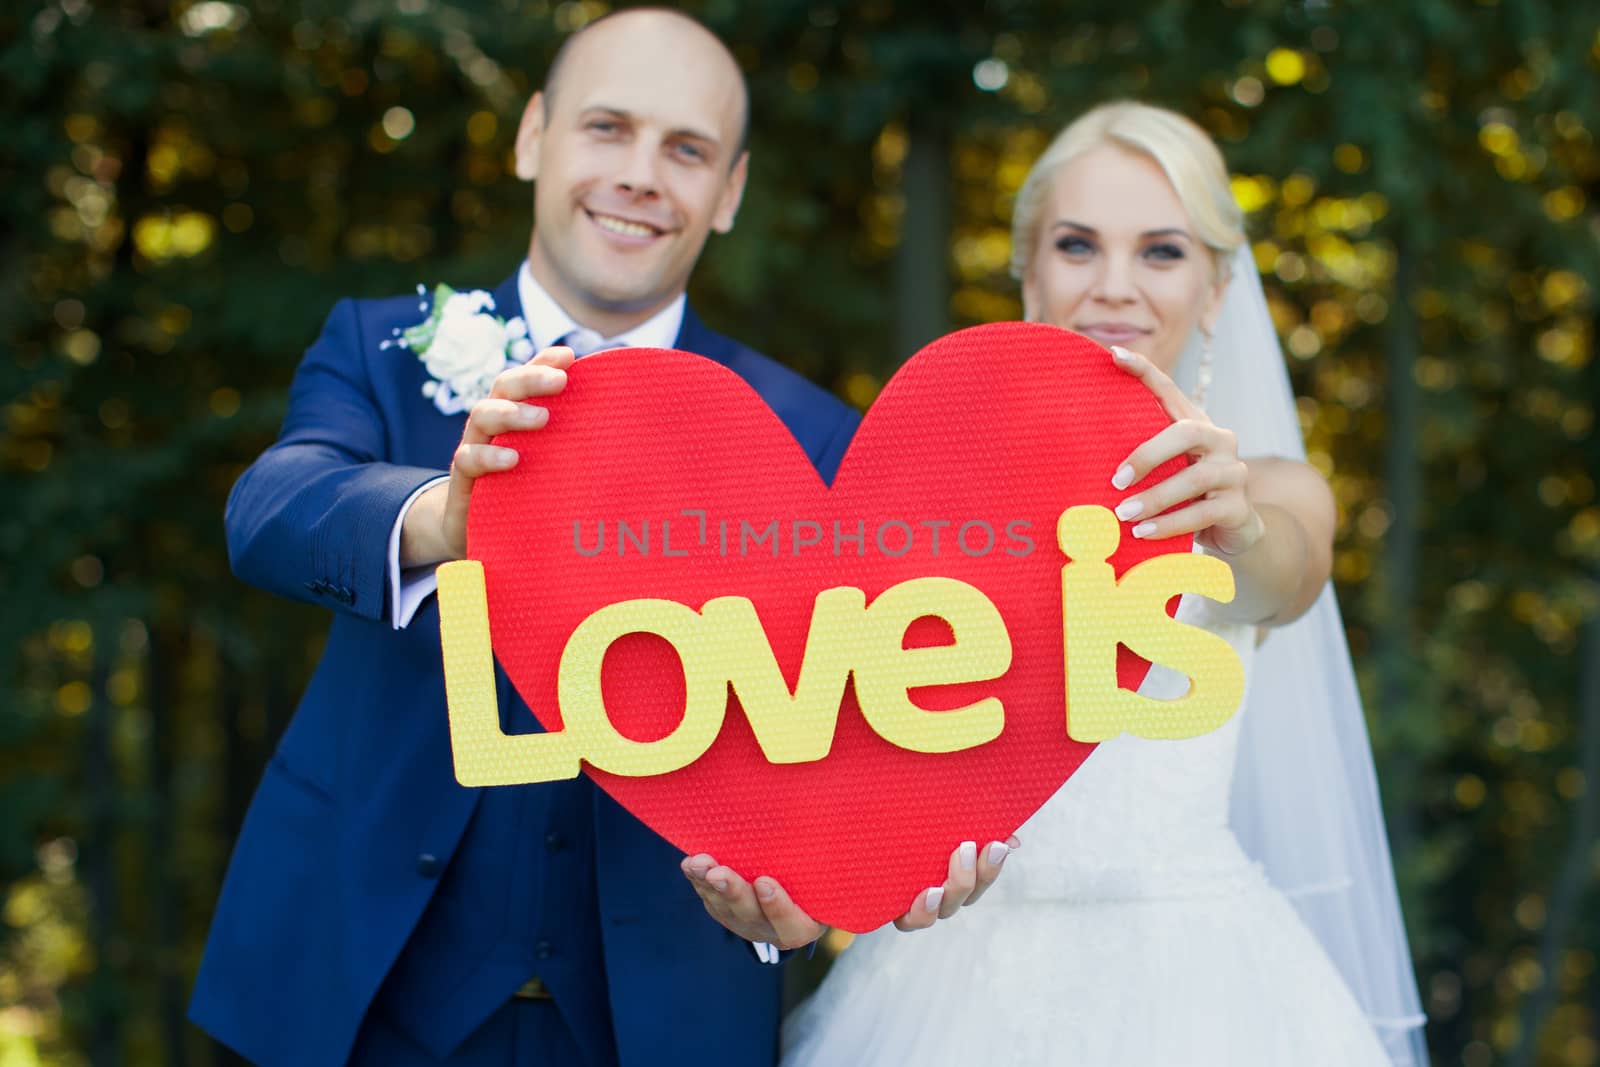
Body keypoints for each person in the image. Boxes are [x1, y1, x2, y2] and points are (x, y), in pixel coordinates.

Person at [187, 11, 873, 1066]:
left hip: (658, 1014)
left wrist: (814, 892)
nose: (641, 174)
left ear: (727, 193)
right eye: (607, 128)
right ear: (532, 139)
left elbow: (836, 747)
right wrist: (443, 518)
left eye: (685, 149)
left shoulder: (815, 437)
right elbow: (273, 507)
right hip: (352, 990)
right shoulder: (380, 345)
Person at [780, 101, 1428, 1065]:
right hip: (953, 978)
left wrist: (1235, 524)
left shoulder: (1273, 491)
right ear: (1029, 273)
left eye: (1161, 252)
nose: (1114, 286)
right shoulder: (936, 494)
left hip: (1202, 989)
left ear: (1215, 289)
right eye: (1078, 246)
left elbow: (1280, 575)